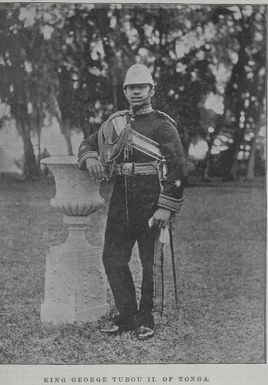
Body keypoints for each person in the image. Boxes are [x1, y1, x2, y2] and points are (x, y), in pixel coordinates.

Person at [77, 63, 184, 340]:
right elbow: (87, 144)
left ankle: (146, 318)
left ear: (151, 90)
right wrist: (90, 158)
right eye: (131, 87)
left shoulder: (163, 125)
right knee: (113, 258)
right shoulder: (114, 123)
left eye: (141, 87)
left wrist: (165, 206)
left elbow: (177, 169)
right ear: (125, 91)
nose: (136, 92)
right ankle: (125, 315)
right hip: (121, 199)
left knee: (149, 263)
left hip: (151, 200)